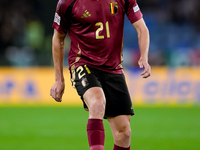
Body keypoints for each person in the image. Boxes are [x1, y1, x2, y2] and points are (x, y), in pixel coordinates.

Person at [50, 0, 151, 149]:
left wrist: (144, 57)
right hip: (83, 63)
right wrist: (59, 80)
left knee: (124, 133)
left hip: (113, 68)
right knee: (97, 103)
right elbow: (58, 39)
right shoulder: (67, 3)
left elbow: (142, 29)